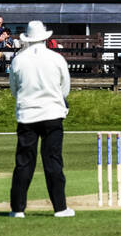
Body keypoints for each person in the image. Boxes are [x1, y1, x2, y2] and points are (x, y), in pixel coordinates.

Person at [8, 20, 73, 218]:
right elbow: (65, 88)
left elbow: (13, 89)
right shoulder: (56, 58)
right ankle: (60, 208)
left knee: (24, 162)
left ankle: (18, 209)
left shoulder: (18, 60)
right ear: (45, 37)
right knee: (53, 160)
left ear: (27, 38)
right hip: (52, 114)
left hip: (27, 115)